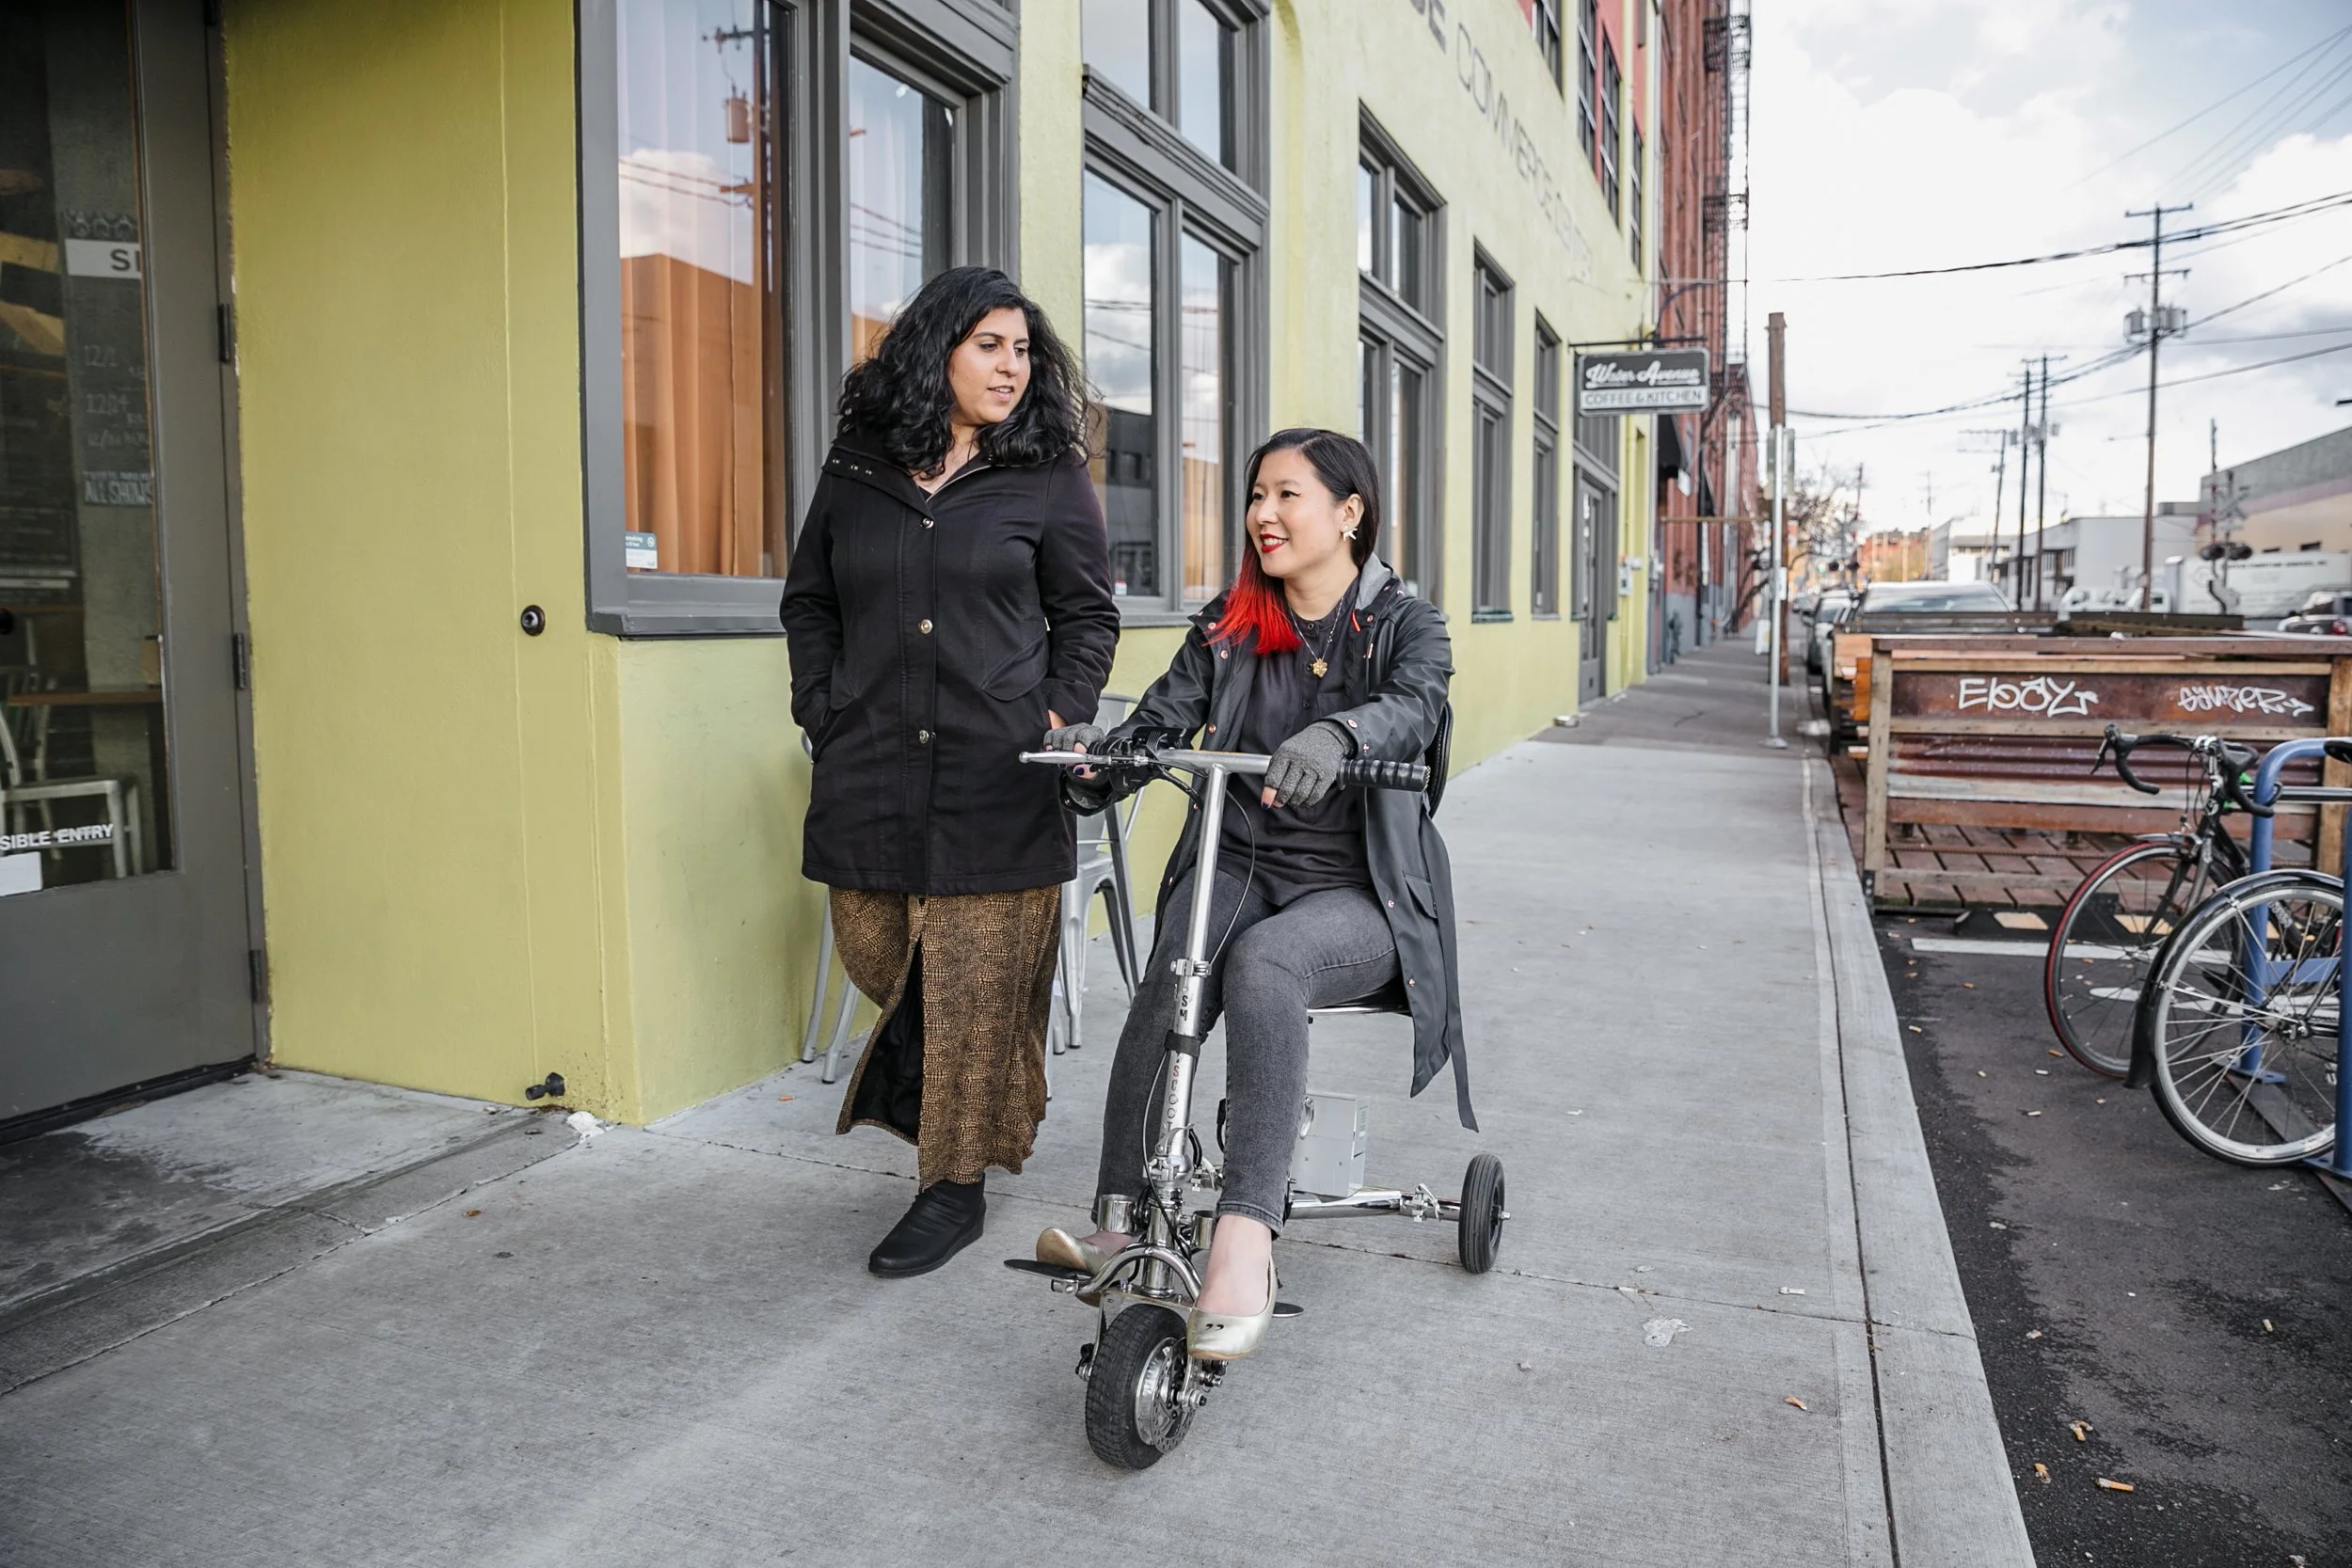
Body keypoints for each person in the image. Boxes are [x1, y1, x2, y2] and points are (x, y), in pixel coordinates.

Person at [1033, 428, 1470, 1360]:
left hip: (1359, 892)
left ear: (1349, 512)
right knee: (1180, 968)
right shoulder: (1230, 624)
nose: (1261, 515)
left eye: (1286, 495)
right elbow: (1155, 721)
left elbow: (1415, 702)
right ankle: (1118, 1212)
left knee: (1265, 964)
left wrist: (1340, 736)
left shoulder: (1405, 623)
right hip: (1238, 865)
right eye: (1254, 495)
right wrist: (1097, 767)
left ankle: (1243, 1234)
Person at [783, 266, 1117, 1278]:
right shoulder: (858, 467)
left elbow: (1088, 617)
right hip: (872, 766)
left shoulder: (1048, 475)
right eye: (989, 345)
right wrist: (821, 705)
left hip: (998, 774)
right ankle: (995, 1089)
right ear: (937, 349)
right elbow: (811, 602)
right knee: (878, 951)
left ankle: (952, 1182)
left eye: (1022, 349)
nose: (1011, 366)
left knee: (974, 982)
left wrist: (1050, 714)